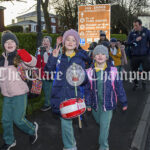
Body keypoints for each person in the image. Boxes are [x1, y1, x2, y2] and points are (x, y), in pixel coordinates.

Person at [45, 29, 91, 150]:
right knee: (65, 123)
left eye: (73, 40)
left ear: (76, 44)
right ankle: (70, 146)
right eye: (68, 40)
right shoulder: (59, 57)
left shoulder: (80, 59)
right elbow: (48, 72)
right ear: (64, 42)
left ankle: (69, 145)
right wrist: (53, 58)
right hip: (59, 95)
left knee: (67, 122)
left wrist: (80, 76)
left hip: (73, 95)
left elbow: (86, 80)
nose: (70, 42)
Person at [0, 31, 38, 150]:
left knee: (18, 119)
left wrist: (25, 56)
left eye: (12, 41)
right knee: (5, 120)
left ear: (16, 44)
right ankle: (9, 141)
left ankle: (32, 130)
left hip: (20, 94)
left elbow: (33, 63)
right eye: (6, 42)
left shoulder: (19, 57)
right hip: (6, 95)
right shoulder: (1, 59)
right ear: (3, 45)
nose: (9, 43)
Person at [86, 45, 128, 150]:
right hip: (95, 104)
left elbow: (119, 87)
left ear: (107, 57)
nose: (100, 56)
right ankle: (104, 133)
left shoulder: (113, 71)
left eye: (103, 54)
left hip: (108, 104)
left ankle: (103, 146)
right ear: (94, 57)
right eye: (97, 54)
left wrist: (124, 101)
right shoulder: (89, 72)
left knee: (104, 125)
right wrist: (88, 103)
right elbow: (87, 90)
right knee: (100, 122)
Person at [127, 19, 150, 90]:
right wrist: (135, 40)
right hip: (135, 55)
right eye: (134, 25)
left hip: (144, 55)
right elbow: (128, 43)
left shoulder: (147, 32)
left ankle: (143, 81)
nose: (135, 27)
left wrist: (148, 52)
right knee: (133, 71)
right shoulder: (132, 33)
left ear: (140, 25)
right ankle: (136, 83)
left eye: (136, 25)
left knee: (147, 68)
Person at [36, 36, 53, 111]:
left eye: (47, 41)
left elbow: (52, 62)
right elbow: (36, 61)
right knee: (41, 88)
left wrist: (47, 52)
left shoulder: (52, 51)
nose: (45, 42)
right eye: (44, 41)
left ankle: (48, 104)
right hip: (40, 72)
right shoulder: (39, 50)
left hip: (49, 74)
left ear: (50, 43)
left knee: (47, 89)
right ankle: (47, 101)